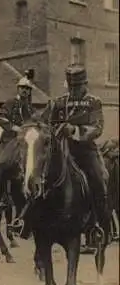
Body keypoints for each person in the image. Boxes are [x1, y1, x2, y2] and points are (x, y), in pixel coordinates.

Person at [42, 63, 109, 233]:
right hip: (62, 150)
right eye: (71, 86)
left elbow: (97, 128)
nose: (73, 90)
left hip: (85, 151)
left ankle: (101, 226)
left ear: (85, 84)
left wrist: (75, 131)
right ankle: (30, 221)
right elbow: (46, 125)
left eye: (77, 86)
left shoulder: (93, 102)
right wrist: (55, 130)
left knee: (99, 180)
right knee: (39, 175)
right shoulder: (58, 103)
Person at [0, 74, 34, 177]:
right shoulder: (11, 103)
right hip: (10, 138)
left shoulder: (30, 108)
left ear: (30, 91)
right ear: (18, 89)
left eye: (27, 89)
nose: (25, 90)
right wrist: (13, 127)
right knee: (2, 157)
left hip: (25, 139)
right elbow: (0, 117)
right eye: (22, 88)